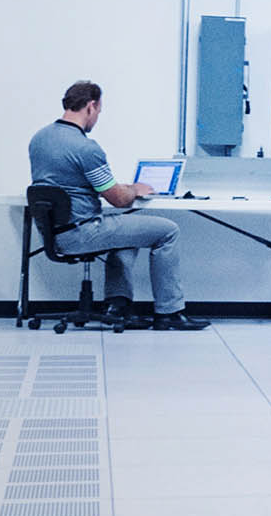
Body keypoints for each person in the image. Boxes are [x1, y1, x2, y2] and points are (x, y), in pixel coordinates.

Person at [26, 80, 204, 330]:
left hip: (56, 234)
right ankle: (169, 312)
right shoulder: (85, 147)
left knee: (129, 233)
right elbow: (118, 200)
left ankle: (118, 306)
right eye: (98, 111)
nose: (97, 117)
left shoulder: (40, 139)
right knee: (167, 231)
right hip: (83, 232)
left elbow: (69, 184)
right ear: (91, 105)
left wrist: (117, 187)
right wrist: (135, 189)